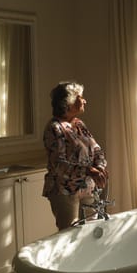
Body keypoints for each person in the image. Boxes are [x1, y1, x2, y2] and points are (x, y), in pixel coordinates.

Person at [42, 81, 108, 230]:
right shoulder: (54, 128)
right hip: (64, 191)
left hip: (88, 188)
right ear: (69, 102)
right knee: (69, 236)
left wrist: (100, 167)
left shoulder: (79, 124)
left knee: (93, 232)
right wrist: (88, 170)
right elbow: (59, 165)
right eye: (80, 97)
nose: (84, 100)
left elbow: (96, 149)